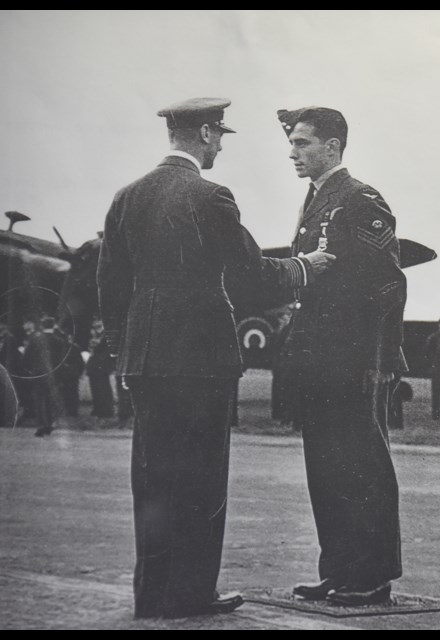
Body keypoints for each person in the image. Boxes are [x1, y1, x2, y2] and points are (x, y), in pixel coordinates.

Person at [97, 97, 335, 619]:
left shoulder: (126, 197)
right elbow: (249, 272)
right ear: (205, 134)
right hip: (202, 359)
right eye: (221, 135)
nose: (223, 145)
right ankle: (191, 594)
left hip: (144, 359)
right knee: (201, 478)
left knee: (153, 479)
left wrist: (124, 353)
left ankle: (152, 595)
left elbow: (110, 287)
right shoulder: (210, 195)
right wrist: (304, 266)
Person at [277, 106, 406, 606]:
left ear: (333, 147)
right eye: (292, 143)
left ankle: (372, 575)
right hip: (320, 359)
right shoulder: (319, 200)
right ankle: (338, 568)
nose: (293, 152)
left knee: (361, 464)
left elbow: (388, 283)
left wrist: (379, 358)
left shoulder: (359, 199)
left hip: (354, 358)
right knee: (326, 465)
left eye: (303, 143)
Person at [22, 316, 65, 437]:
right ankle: (50, 423)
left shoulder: (35, 339)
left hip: (38, 373)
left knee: (39, 399)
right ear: (53, 325)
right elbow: (61, 360)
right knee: (50, 399)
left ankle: (42, 425)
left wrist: (28, 370)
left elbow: (26, 357)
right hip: (53, 373)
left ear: (41, 326)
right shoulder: (59, 340)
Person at [85, 319, 115, 418]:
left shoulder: (105, 336)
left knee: (103, 389)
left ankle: (105, 411)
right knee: (98, 389)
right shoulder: (99, 336)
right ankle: (100, 410)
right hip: (97, 367)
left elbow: (99, 349)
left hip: (101, 366)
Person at [424, 317, 440, 420]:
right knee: (436, 392)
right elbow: (428, 352)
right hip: (437, 367)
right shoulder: (434, 337)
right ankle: (436, 413)